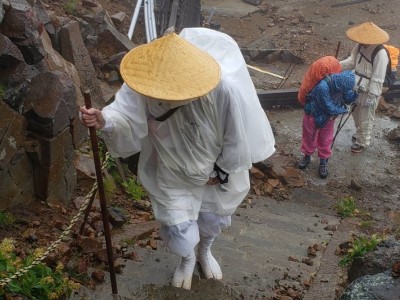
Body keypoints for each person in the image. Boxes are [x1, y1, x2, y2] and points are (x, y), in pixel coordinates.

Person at [79, 27, 275, 290]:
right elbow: (124, 113)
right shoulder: (145, 81)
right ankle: (187, 257)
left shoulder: (223, 89)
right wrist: (105, 120)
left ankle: (205, 250)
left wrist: (223, 172)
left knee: (213, 217)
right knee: (177, 224)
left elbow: (235, 136)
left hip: (213, 171)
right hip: (169, 168)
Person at [298, 64, 358, 178]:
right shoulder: (323, 87)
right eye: (345, 89)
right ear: (341, 84)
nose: (345, 90)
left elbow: (347, 97)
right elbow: (328, 106)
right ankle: (306, 156)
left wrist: (355, 93)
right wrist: (344, 109)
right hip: (313, 115)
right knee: (309, 137)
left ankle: (323, 161)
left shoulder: (341, 84)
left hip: (329, 118)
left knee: (326, 139)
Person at [340, 22, 390, 153]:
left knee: (366, 116)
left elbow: (378, 77)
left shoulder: (380, 54)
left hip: (369, 90)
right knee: (356, 112)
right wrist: (337, 65)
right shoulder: (359, 46)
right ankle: (359, 134)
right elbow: (351, 62)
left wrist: (372, 96)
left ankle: (363, 141)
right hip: (357, 86)